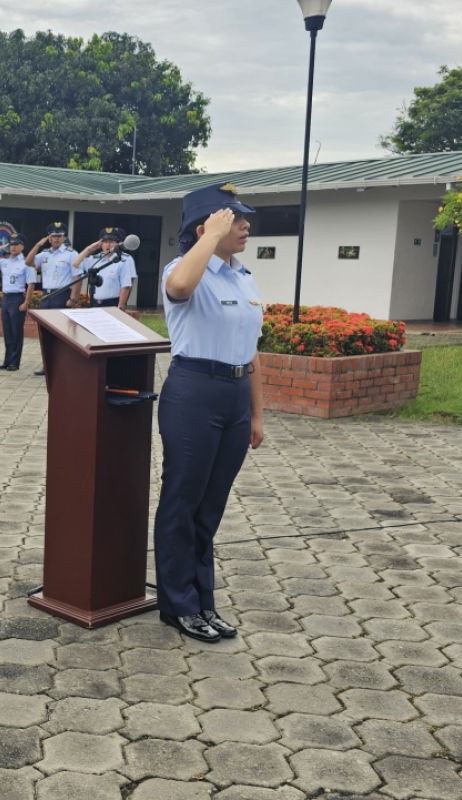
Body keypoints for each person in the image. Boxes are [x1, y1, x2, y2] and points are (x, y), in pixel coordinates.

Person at [154, 182, 265, 644]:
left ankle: (203, 600)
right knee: (184, 500)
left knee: (211, 506)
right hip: (194, 393)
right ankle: (178, 605)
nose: (245, 226)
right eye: (234, 219)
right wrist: (204, 238)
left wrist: (257, 416)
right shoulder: (182, 270)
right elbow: (180, 287)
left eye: (243, 218)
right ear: (206, 228)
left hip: (235, 396)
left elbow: (253, 351)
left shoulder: (243, 277)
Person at [29, 221, 79, 376]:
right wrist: (37, 245)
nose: (57, 238)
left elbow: (78, 277)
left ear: (64, 238)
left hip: (62, 295)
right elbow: (29, 262)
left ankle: (63, 365)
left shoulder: (71, 254)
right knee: (45, 333)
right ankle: (47, 364)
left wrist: (74, 299)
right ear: (48, 238)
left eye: (60, 236)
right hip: (47, 295)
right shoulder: (44, 255)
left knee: (62, 333)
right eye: (54, 236)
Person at [0, 234, 35, 371]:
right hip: (6, 298)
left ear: (22, 246)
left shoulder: (26, 263)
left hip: (17, 298)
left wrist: (26, 302)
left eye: (16, 244)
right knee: (7, 331)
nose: (13, 247)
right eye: (11, 244)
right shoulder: (4, 261)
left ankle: (14, 362)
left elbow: (31, 284)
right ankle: (7, 360)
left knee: (16, 332)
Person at [76, 227, 137, 308]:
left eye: (111, 242)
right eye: (105, 242)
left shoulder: (123, 261)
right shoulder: (95, 260)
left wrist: (122, 305)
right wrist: (91, 248)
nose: (108, 245)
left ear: (118, 244)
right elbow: (76, 263)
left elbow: (126, 285)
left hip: (113, 303)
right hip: (94, 302)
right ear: (100, 243)